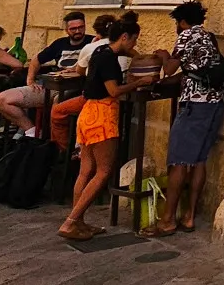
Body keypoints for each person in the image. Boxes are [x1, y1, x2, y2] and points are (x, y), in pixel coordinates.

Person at [60, 19, 156, 240]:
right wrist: (139, 82)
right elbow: (114, 91)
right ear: (124, 37)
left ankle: (79, 220)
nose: (133, 44)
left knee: (86, 170)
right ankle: (71, 221)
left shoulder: (100, 50)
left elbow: (124, 61)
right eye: (133, 40)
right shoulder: (110, 59)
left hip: (87, 113)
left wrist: (139, 57)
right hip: (102, 116)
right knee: (103, 171)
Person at [145, 1, 224, 236]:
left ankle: (167, 220)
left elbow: (170, 68)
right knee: (199, 160)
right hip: (215, 102)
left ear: (181, 21)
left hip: (194, 105)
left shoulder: (187, 35)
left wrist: (163, 56)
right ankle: (189, 216)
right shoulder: (209, 37)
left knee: (179, 161)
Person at [0, 12, 92, 136]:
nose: (78, 31)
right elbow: (36, 60)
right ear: (67, 30)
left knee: (58, 104)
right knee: (3, 99)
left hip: (76, 87)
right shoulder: (60, 43)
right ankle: (32, 132)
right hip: (51, 85)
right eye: (73, 29)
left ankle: (56, 144)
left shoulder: (92, 43)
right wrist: (30, 80)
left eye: (81, 27)